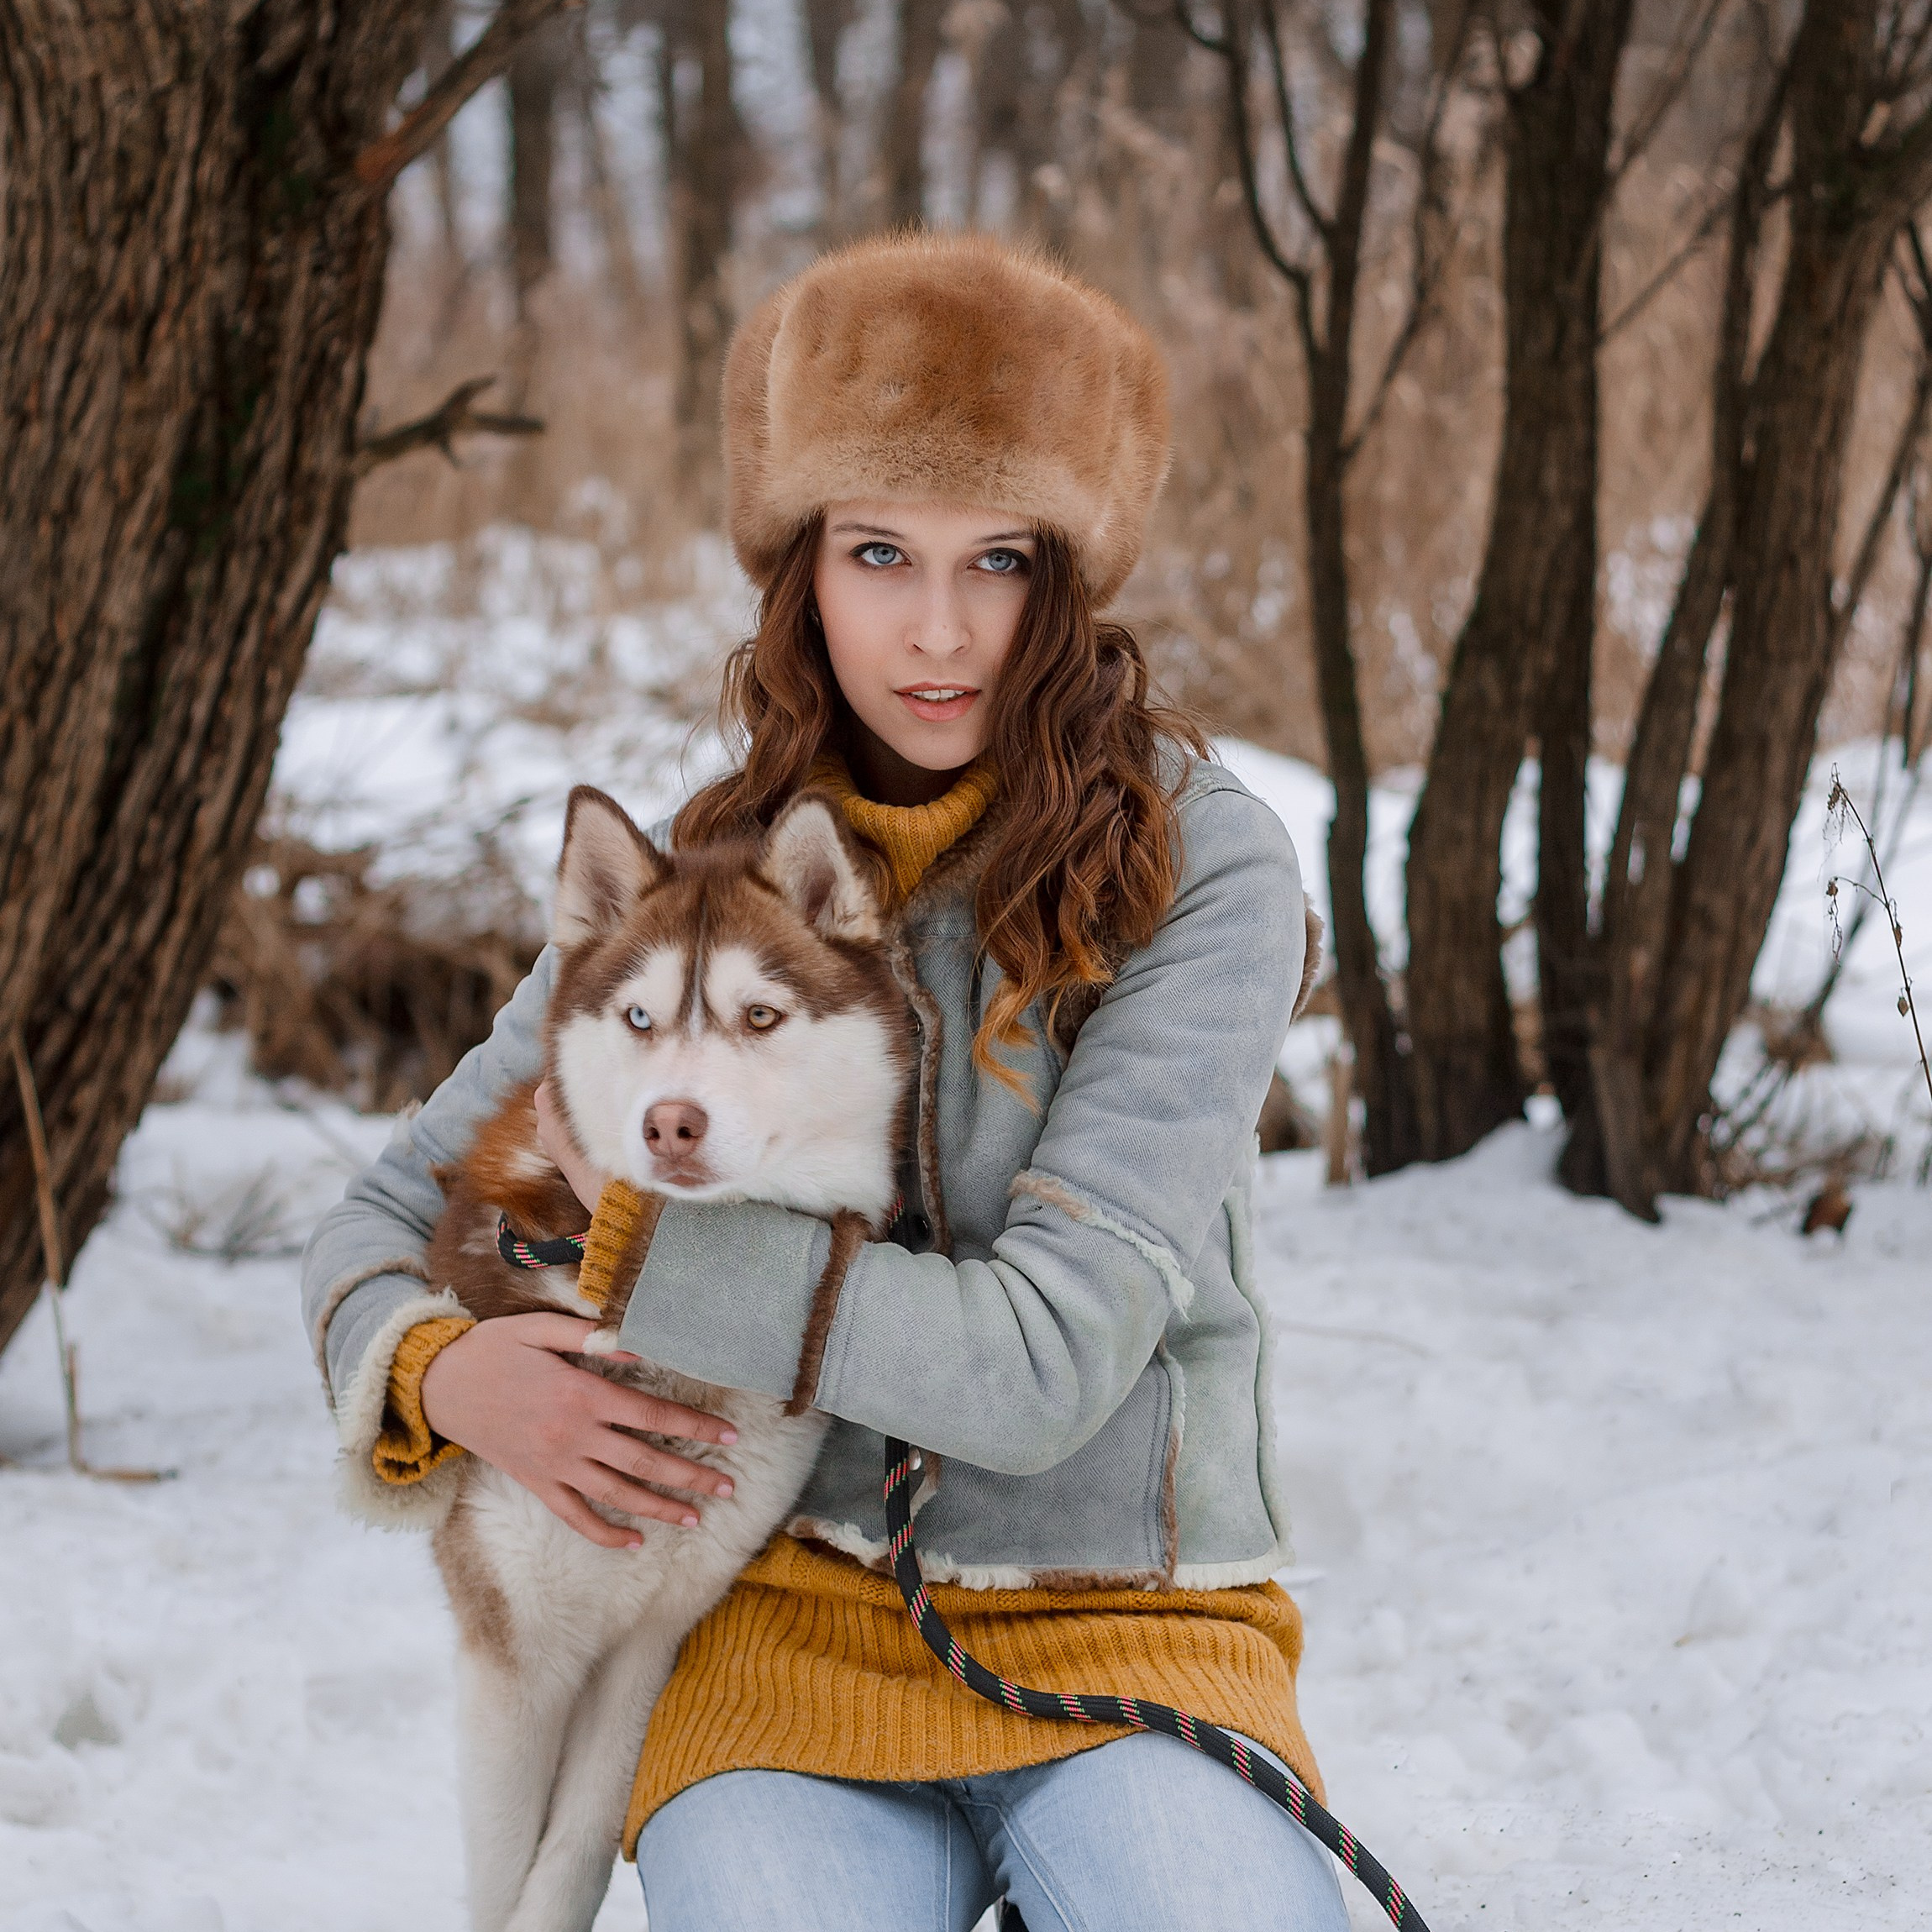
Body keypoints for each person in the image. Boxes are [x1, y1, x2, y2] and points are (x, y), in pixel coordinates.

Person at [302, 232, 1346, 1932]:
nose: (939, 632)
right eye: (878, 552)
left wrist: (649, 1247)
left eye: (1000, 559)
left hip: (1126, 1619)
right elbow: (378, 1211)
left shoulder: (1199, 868)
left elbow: (1046, 1361)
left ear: (1071, 580)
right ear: (801, 571)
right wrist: (443, 1369)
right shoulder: (706, 883)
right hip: (770, 1621)